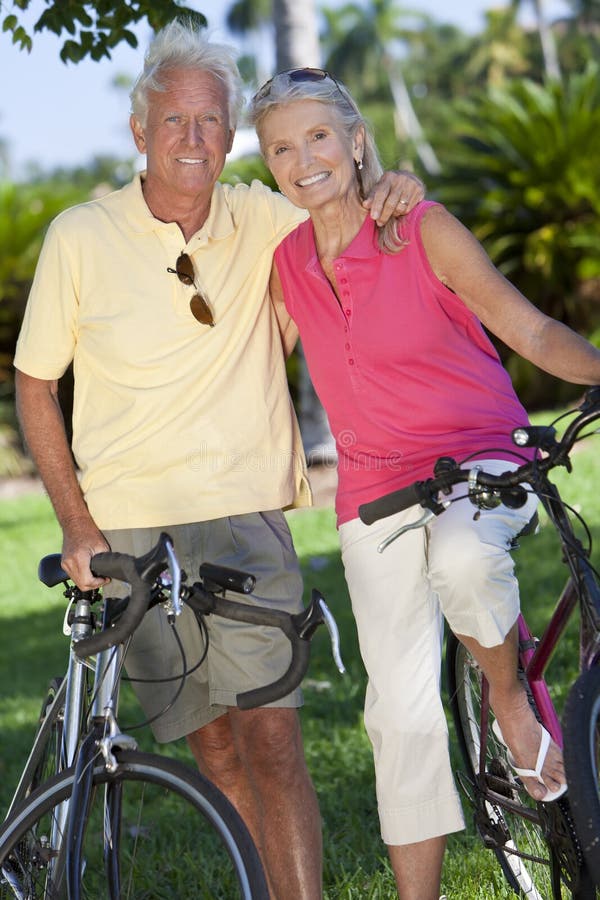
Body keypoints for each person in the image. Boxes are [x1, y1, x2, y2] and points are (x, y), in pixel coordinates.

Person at [13, 19, 424, 900]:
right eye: (174, 121)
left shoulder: (266, 220)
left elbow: (347, 208)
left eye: (211, 122)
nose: (194, 140)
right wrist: (78, 526)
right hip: (129, 525)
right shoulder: (79, 236)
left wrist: (393, 182)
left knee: (274, 738)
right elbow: (35, 384)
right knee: (213, 745)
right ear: (139, 131)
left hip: (243, 515)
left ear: (229, 132)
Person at [248, 70, 600, 899]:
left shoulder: (421, 228)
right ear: (268, 166)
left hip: (482, 453)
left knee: (466, 559)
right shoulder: (285, 265)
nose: (304, 160)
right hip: (372, 491)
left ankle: (507, 693)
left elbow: (528, 326)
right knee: (396, 717)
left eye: (320, 137)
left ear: (358, 140)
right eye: (281, 148)